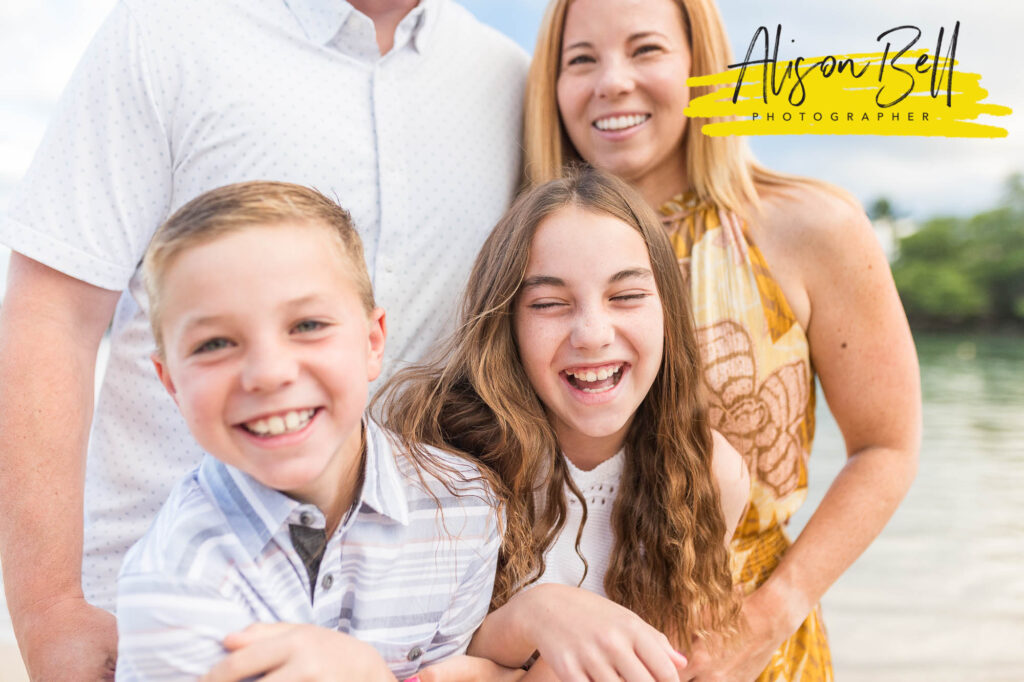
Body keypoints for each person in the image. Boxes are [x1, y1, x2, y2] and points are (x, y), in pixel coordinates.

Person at [0, 1, 527, 678]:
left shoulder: (505, 79)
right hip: (161, 628)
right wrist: (52, 609)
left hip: (411, 604)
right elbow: (53, 313)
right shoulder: (168, 33)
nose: (273, 369)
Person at [520, 0, 922, 679]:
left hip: (746, 646)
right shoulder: (522, 247)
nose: (611, 81)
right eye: (580, 59)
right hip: (563, 652)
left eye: (645, 50)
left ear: (702, 67)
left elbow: (887, 447)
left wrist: (772, 614)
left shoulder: (809, 227)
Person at [113, 181, 501, 680]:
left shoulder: (464, 507)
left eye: (307, 326)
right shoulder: (171, 586)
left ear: (372, 341)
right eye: (214, 344)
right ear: (171, 383)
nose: (269, 373)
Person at [382, 167, 751, 681]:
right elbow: (418, 664)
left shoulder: (708, 477)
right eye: (550, 304)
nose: (594, 334)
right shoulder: (440, 464)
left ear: (668, 310)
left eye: (625, 296)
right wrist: (537, 615)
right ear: (505, 324)